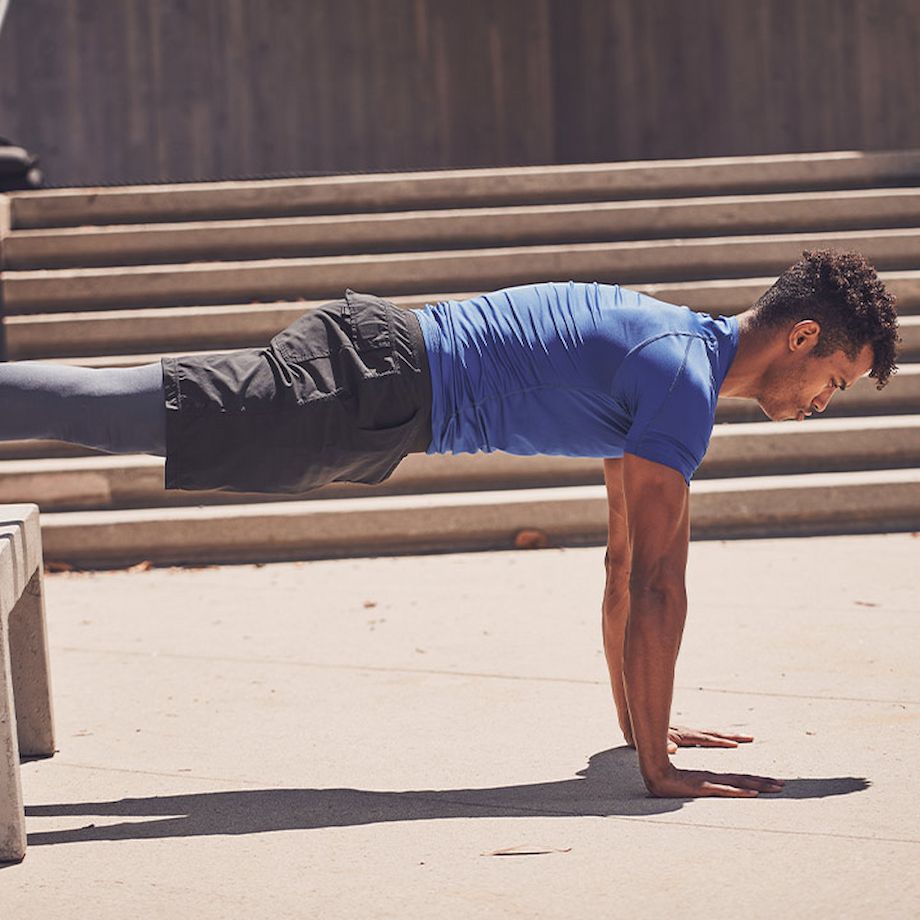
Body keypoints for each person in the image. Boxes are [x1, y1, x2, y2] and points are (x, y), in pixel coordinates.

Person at [0, 249, 899, 798]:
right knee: (123, 411)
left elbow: (625, 566)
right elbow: (662, 584)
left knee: (134, 410)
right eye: (837, 380)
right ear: (802, 338)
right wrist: (659, 772)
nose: (824, 402)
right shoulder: (679, 382)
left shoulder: (674, 359)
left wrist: (643, 733)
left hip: (379, 386)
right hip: (369, 386)